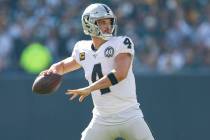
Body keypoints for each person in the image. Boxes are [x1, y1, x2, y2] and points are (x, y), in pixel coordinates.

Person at [42, 3, 155, 140]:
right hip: (102, 119)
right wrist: (52, 71)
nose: (108, 26)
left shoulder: (121, 42)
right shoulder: (82, 49)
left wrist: (90, 88)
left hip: (129, 115)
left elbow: (120, 74)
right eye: (102, 22)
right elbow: (63, 66)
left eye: (109, 22)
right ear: (89, 24)